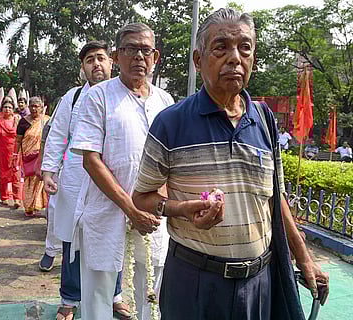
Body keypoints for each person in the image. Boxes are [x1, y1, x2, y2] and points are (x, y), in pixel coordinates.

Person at [131, 8, 329, 320]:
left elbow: (275, 198)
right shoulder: (171, 123)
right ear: (199, 60)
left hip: (257, 283)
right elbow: (141, 197)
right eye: (221, 47)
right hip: (194, 280)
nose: (235, 58)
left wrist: (303, 256)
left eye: (245, 47)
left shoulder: (264, 121)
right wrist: (180, 209)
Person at [70, 24, 174, 320]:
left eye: (146, 50)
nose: (139, 56)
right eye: (131, 49)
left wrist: (156, 205)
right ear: (116, 55)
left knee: (151, 292)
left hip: (153, 217)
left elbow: (173, 161)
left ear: (156, 57)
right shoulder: (99, 96)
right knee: (98, 297)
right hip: (106, 213)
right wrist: (131, 209)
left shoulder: (165, 102)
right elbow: (90, 159)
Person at [41, 41, 132, 320]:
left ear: (111, 62)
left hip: (110, 182)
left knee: (111, 238)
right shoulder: (73, 97)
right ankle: (69, 298)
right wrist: (48, 171)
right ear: (83, 67)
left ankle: (114, 296)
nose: (96, 64)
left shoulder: (122, 95)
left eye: (101, 58)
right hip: (75, 179)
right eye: (90, 59)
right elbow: (57, 134)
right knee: (72, 240)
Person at [16, 97, 48, 216]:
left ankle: (38, 205)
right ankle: (29, 206)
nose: (34, 109)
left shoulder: (46, 121)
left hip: (43, 155)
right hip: (28, 157)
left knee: (40, 180)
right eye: (32, 106)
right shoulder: (23, 122)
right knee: (29, 180)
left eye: (37, 106)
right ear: (28, 107)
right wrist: (15, 155)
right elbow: (18, 140)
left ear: (41, 107)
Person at [0, 100, 22, 207]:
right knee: (2, 175)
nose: (7, 109)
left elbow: (22, 136)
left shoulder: (17, 120)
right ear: (2, 109)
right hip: (1, 152)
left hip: (14, 152)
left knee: (15, 175)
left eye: (10, 107)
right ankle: (4, 196)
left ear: (13, 109)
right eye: (5, 107)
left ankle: (17, 199)